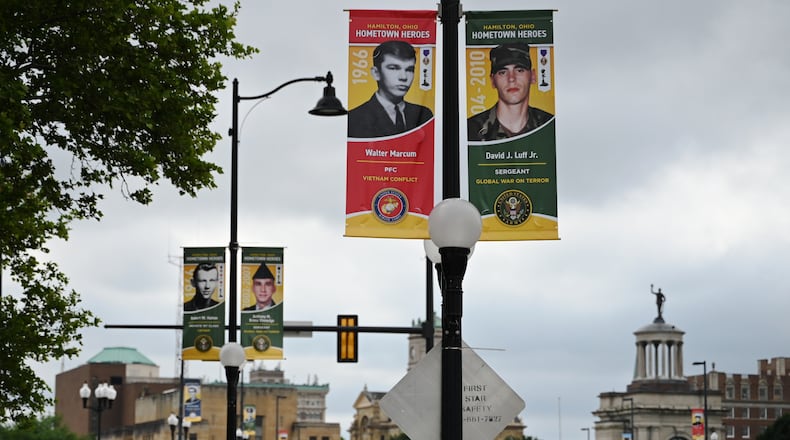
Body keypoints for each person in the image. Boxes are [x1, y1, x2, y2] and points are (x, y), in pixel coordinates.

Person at [467, 42, 554, 141]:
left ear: (533, 76)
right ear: (493, 81)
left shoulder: (549, 125)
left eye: (520, 70)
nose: (511, 78)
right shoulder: (471, 130)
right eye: (503, 72)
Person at [348, 40, 433, 138]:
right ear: (376, 73)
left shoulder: (424, 115)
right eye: (393, 68)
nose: (404, 77)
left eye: (409, 70)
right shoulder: (354, 119)